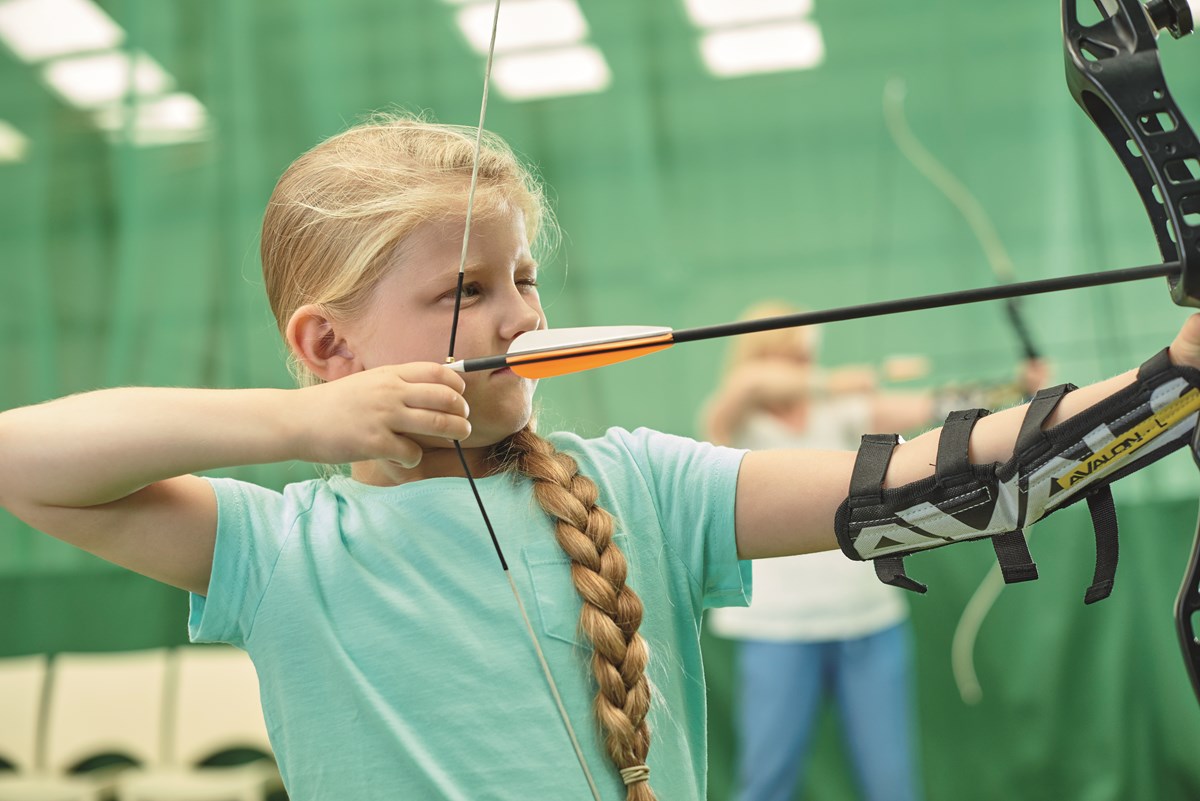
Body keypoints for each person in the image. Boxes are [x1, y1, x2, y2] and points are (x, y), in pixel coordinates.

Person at [0, 114, 1197, 801]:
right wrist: (301, 425)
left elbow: (932, 482)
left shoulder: (640, 483)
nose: (523, 317)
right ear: (326, 343)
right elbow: (21, 459)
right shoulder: (275, 548)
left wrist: (1169, 385)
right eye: (466, 290)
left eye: (523, 277)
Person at [703, 304, 1046, 801]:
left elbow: (936, 408)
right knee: (766, 782)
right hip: (779, 632)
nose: (803, 368)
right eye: (792, 357)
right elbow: (748, 387)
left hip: (867, 624)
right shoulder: (733, 422)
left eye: (806, 357)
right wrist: (840, 380)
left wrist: (1015, 388)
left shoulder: (841, 411)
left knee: (891, 784)